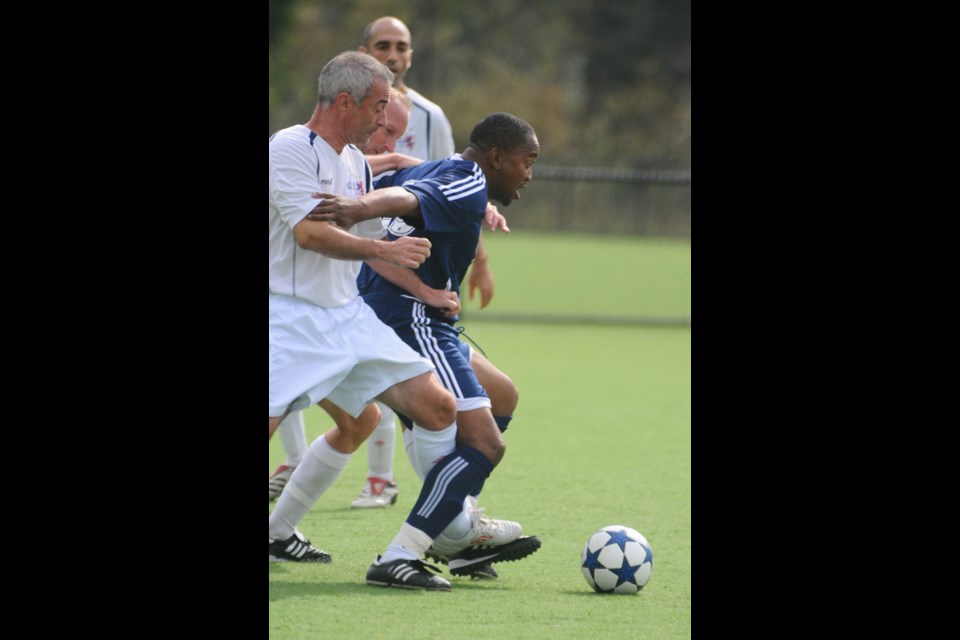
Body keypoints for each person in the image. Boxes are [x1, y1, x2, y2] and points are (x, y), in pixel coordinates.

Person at [269, 54, 524, 591]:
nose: (385, 120)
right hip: (288, 319)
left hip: (347, 318)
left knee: (436, 408)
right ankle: (448, 531)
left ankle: (439, 535)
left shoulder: (355, 163)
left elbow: (381, 250)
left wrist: (421, 280)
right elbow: (312, 236)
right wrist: (378, 240)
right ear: (346, 103)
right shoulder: (289, 146)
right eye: (380, 107)